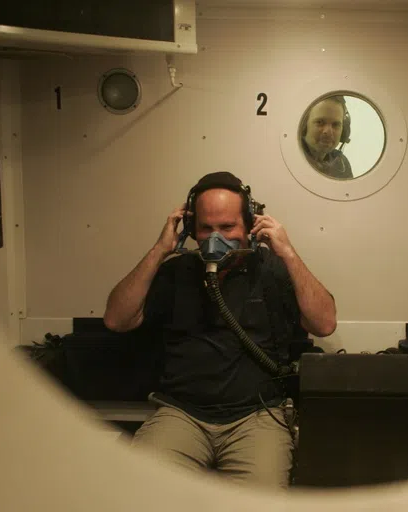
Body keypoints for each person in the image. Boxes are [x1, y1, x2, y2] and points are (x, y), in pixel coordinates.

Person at [103, 171, 337, 488]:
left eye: (227, 227)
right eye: (206, 228)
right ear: (191, 229)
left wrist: (288, 252)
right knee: (143, 493)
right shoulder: (176, 272)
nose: (216, 238)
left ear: (250, 225)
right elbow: (117, 319)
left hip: (256, 417)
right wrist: (160, 249)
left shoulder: (270, 270)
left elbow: (324, 323)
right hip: (181, 414)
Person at [301, 95, 353, 180]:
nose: (328, 132)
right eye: (320, 122)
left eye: (335, 124)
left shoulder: (341, 164)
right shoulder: (290, 158)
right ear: (304, 125)